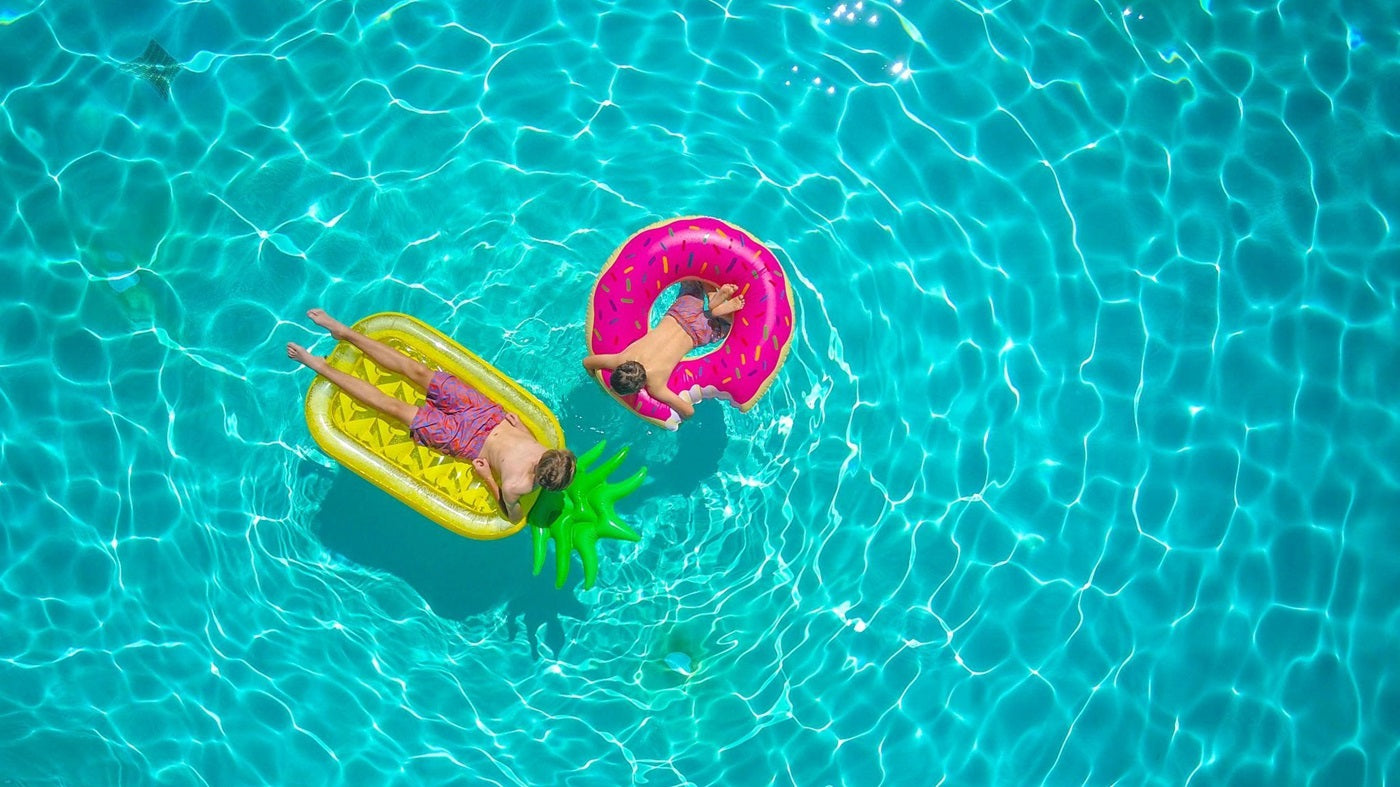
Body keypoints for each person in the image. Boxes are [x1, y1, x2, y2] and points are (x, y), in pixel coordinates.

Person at [287, 309, 576, 521]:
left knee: (395, 407)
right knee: (418, 371)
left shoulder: (516, 486)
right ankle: (344, 332)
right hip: (485, 413)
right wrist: (521, 427)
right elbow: (527, 448)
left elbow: (513, 517)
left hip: (466, 441)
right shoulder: (550, 454)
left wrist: (488, 476)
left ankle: (319, 366)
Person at [582, 280, 744, 419]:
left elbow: (689, 411)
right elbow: (587, 362)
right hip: (680, 311)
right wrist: (594, 374)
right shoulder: (620, 359)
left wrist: (598, 383)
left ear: (639, 388)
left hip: (698, 333)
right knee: (695, 280)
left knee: (729, 326)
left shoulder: (655, 385)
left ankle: (720, 313)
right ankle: (712, 297)